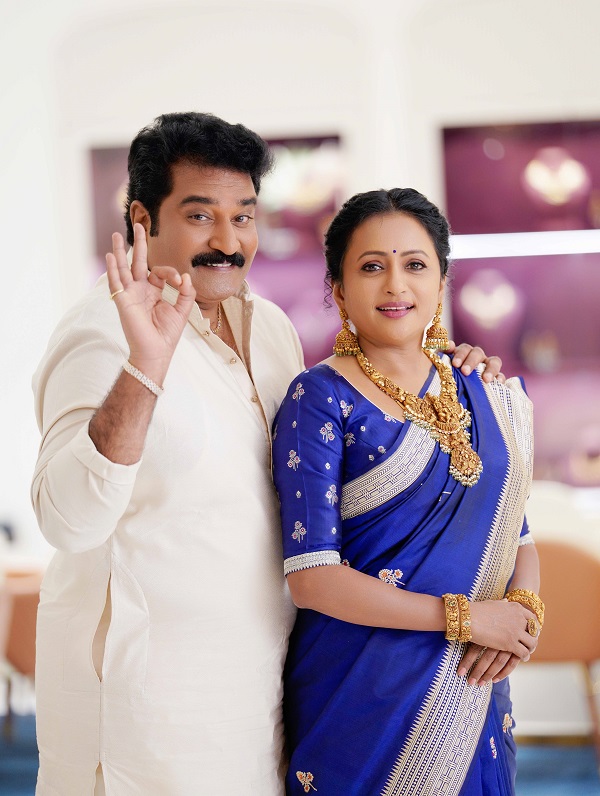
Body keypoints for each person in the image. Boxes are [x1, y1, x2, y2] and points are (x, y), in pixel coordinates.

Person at [31, 113, 504, 795]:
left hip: (261, 699)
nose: (228, 242)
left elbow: (334, 453)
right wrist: (145, 366)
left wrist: (444, 367)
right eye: (200, 216)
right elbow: (69, 520)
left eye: (244, 217)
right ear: (142, 218)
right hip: (147, 717)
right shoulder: (102, 334)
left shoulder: (270, 327)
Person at [272, 188, 541, 795]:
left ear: (442, 281)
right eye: (372, 266)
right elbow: (312, 577)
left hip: (474, 686)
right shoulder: (318, 398)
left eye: (415, 264)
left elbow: (517, 534)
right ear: (338, 289)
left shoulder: (487, 389)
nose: (395, 285)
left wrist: (522, 615)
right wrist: (468, 619)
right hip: (363, 691)